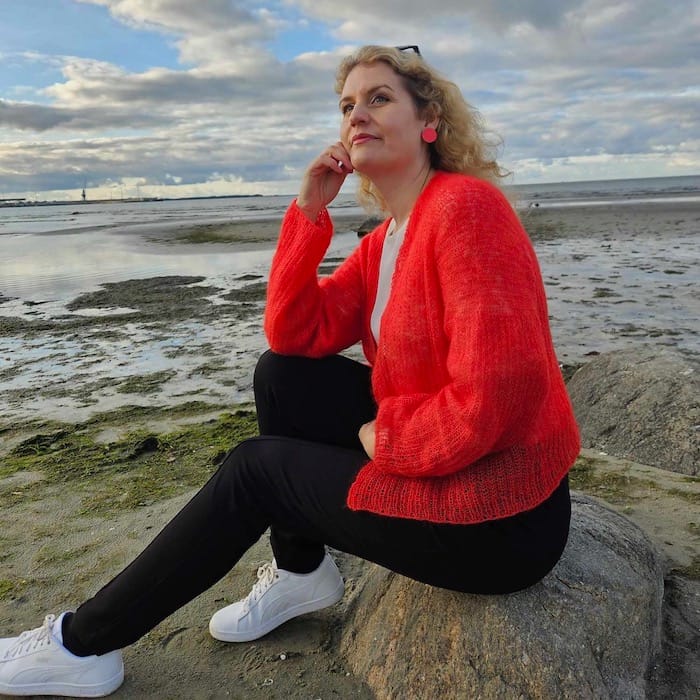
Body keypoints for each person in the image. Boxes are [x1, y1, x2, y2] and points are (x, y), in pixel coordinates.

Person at [0, 44, 580, 697]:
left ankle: (82, 646)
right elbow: (294, 333)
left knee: (256, 469)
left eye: (379, 98)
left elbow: (500, 391)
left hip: (501, 519)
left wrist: (389, 443)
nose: (357, 114)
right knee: (281, 374)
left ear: (429, 122)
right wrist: (308, 212)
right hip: (456, 459)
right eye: (347, 105)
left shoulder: (465, 208)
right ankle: (302, 574)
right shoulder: (389, 236)